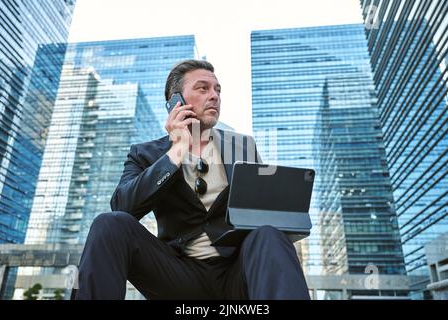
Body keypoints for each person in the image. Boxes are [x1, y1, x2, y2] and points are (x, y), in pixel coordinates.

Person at [74, 59, 310, 300]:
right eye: (202, 88)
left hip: (237, 271)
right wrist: (177, 151)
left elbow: (260, 212)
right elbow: (122, 207)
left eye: (217, 90)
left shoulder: (242, 146)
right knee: (109, 224)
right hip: (176, 274)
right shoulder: (145, 153)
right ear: (176, 102)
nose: (214, 96)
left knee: (269, 233)